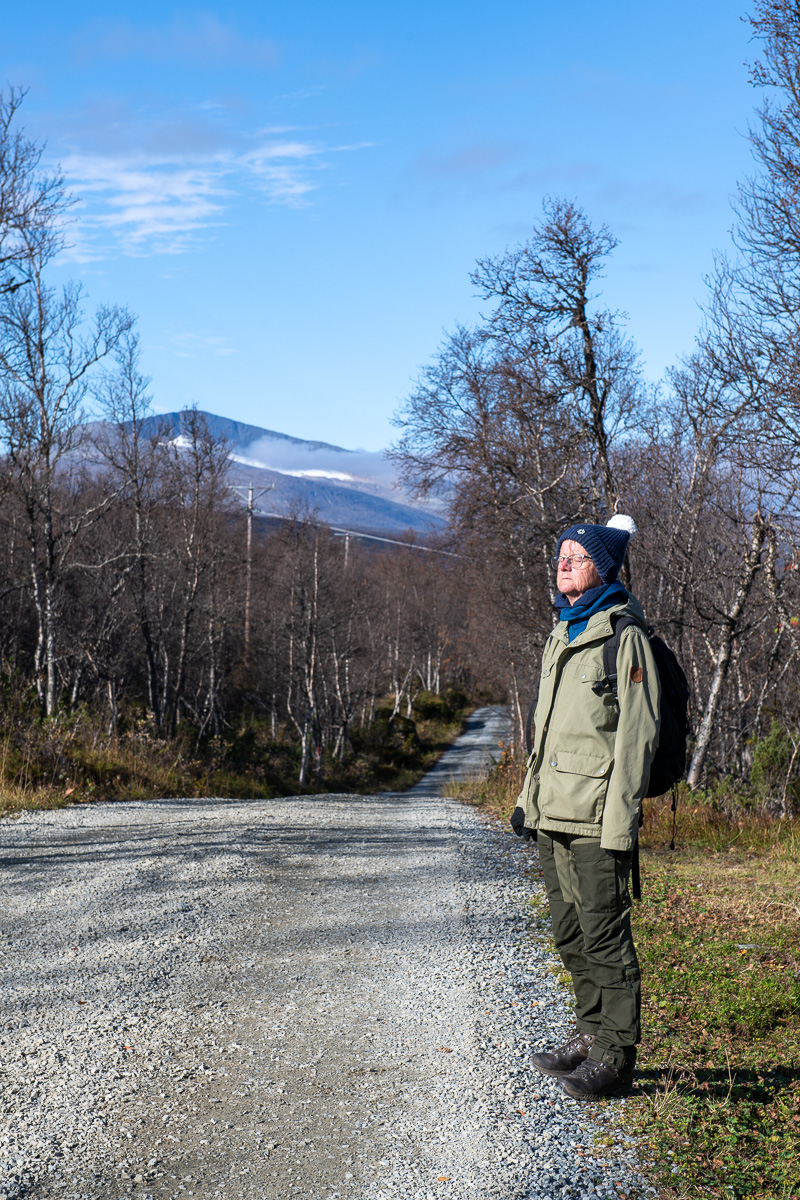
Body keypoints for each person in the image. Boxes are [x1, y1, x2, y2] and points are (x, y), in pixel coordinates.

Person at [511, 515, 660, 1101]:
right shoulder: (562, 632)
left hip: (598, 816)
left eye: (576, 555)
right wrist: (528, 802)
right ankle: (591, 1030)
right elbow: (545, 731)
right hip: (553, 813)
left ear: (603, 567)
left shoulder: (624, 636)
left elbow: (637, 739)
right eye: (561, 554)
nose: (563, 562)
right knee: (570, 932)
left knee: (605, 937)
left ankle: (616, 1058)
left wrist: (621, 822)